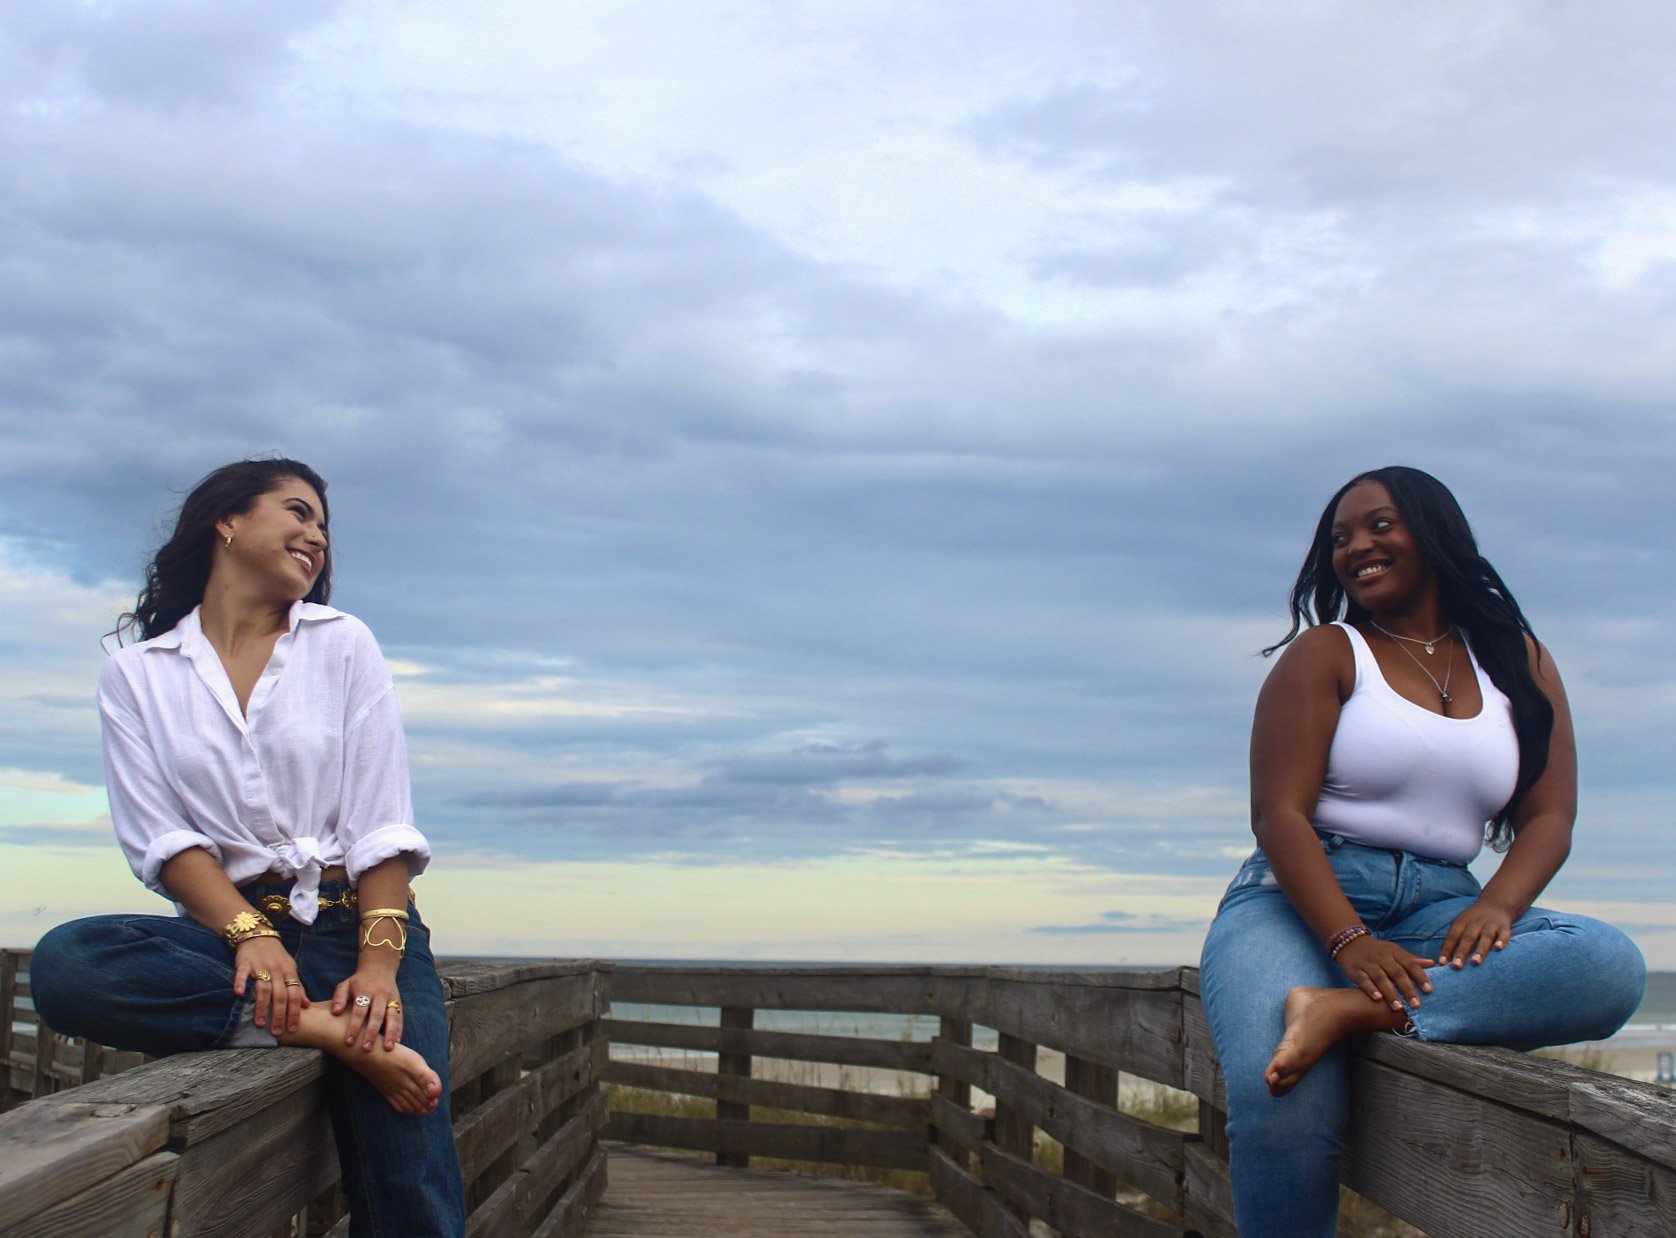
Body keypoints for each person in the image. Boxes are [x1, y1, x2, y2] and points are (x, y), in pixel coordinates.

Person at [1198, 465, 1644, 1237]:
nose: (1357, 548)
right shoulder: (1328, 653)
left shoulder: (1518, 664)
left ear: (1434, 534)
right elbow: (1278, 816)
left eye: (1379, 525)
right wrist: (1349, 938)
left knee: (1609, 965)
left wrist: (1499, 904)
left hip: (1444, 904)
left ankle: (1344, 1011)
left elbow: (1550, 815)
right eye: (1340, 538)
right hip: (1297, 899)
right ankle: (1340, 1004)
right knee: (1282, 1101)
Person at [31, 458, 466, 1237]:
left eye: (324, 530)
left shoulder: (342, 645)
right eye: (297, 513)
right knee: (70, 962)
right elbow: (163, 839)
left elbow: (381, 825)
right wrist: (251, 936)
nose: (315, 538)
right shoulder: (139, 676)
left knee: (412, 1192)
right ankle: (324, 1031)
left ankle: (334, 1022)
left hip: (354, 925)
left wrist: (376, 972)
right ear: (226, 521)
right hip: (228, 942)